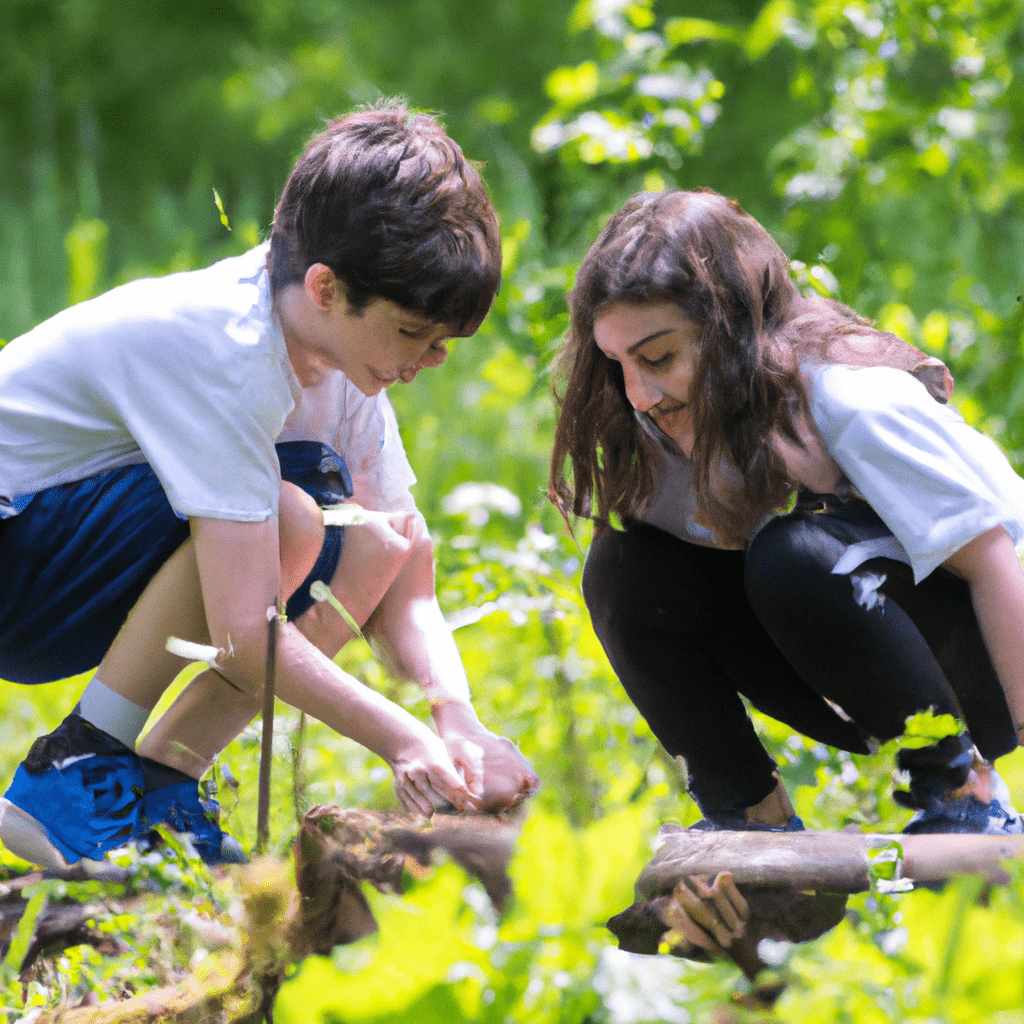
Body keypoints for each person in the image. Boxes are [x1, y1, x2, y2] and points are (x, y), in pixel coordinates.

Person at [0, 100, 538, 871]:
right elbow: (247, 637)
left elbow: (407, 570)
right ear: (326, 288)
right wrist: (404, 740)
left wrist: (456, 718)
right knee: (289, 516)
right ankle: (71, 771)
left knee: (372, 543)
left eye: (443, 341)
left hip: (60, 564)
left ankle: (158, 787)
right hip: (17, 544)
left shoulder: (347, 363)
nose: (430, 360)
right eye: (414, 333)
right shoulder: (228, 349)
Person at [549, 186, 1024, 839]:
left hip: (996, 657)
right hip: (865, 664)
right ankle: (748, 813)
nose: (640, 393)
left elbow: (995, 563)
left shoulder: (850, 396)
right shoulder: (668, 424)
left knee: (792, 556)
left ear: (729, 332)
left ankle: (966, 795)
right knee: (623, 567)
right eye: (620, 364)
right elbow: (657, 599)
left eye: (658, 358)